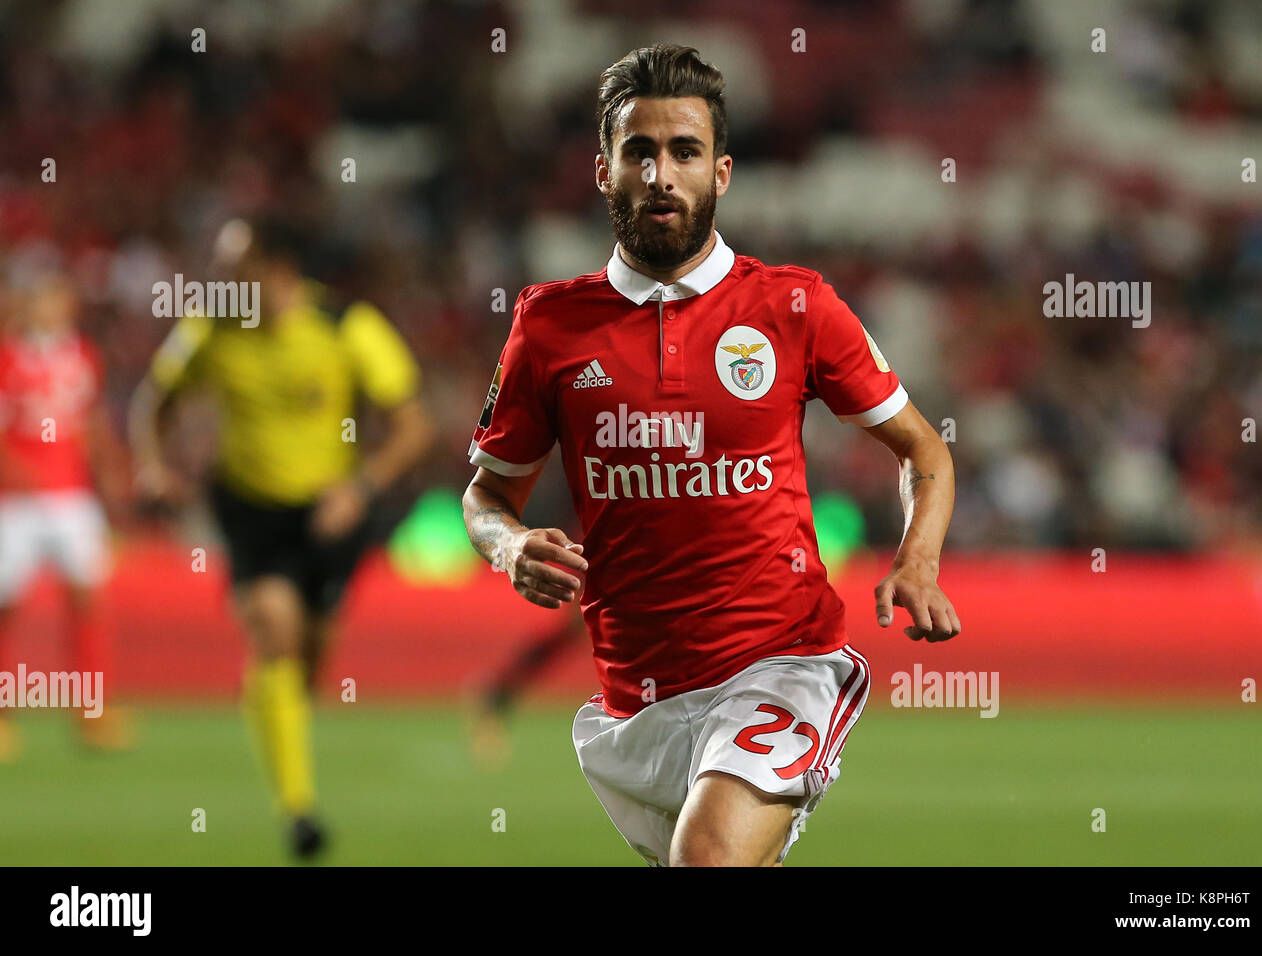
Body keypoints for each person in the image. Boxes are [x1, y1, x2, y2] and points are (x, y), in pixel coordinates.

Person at [462, 44, 961, 866]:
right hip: (637, 704)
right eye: (640, 152)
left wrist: (919, 561)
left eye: (685, 152)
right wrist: (508, 545)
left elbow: (923, 450)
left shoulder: (794, 306)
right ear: (603, 171)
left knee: (711, 856)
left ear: (721, 173)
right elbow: (485, 497)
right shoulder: (548, 327)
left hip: (782, 664)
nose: (661, 175)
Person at [131, 218, 434, 859]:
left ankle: (283, 721)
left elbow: (413, 424)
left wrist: (361, 488)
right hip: (248, 509)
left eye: (233, 269)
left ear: (277, 269)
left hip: (331, 515)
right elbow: (154, 401)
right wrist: (154, 466)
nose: (220, 280)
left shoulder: (346, 326)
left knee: (309, 661)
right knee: (274, 630)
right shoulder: (209, 330)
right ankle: (298, 810)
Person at [0, 270, 131, 761]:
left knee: (88, 600)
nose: (49, 310)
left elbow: (90, 421)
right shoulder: (7, 358)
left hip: (72, 496)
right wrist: (13, 469)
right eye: (40, 301)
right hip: (16, 502)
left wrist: (110, 470)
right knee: (5, 606)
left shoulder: (83, 356)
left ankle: (93, 712)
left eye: (56, 300)